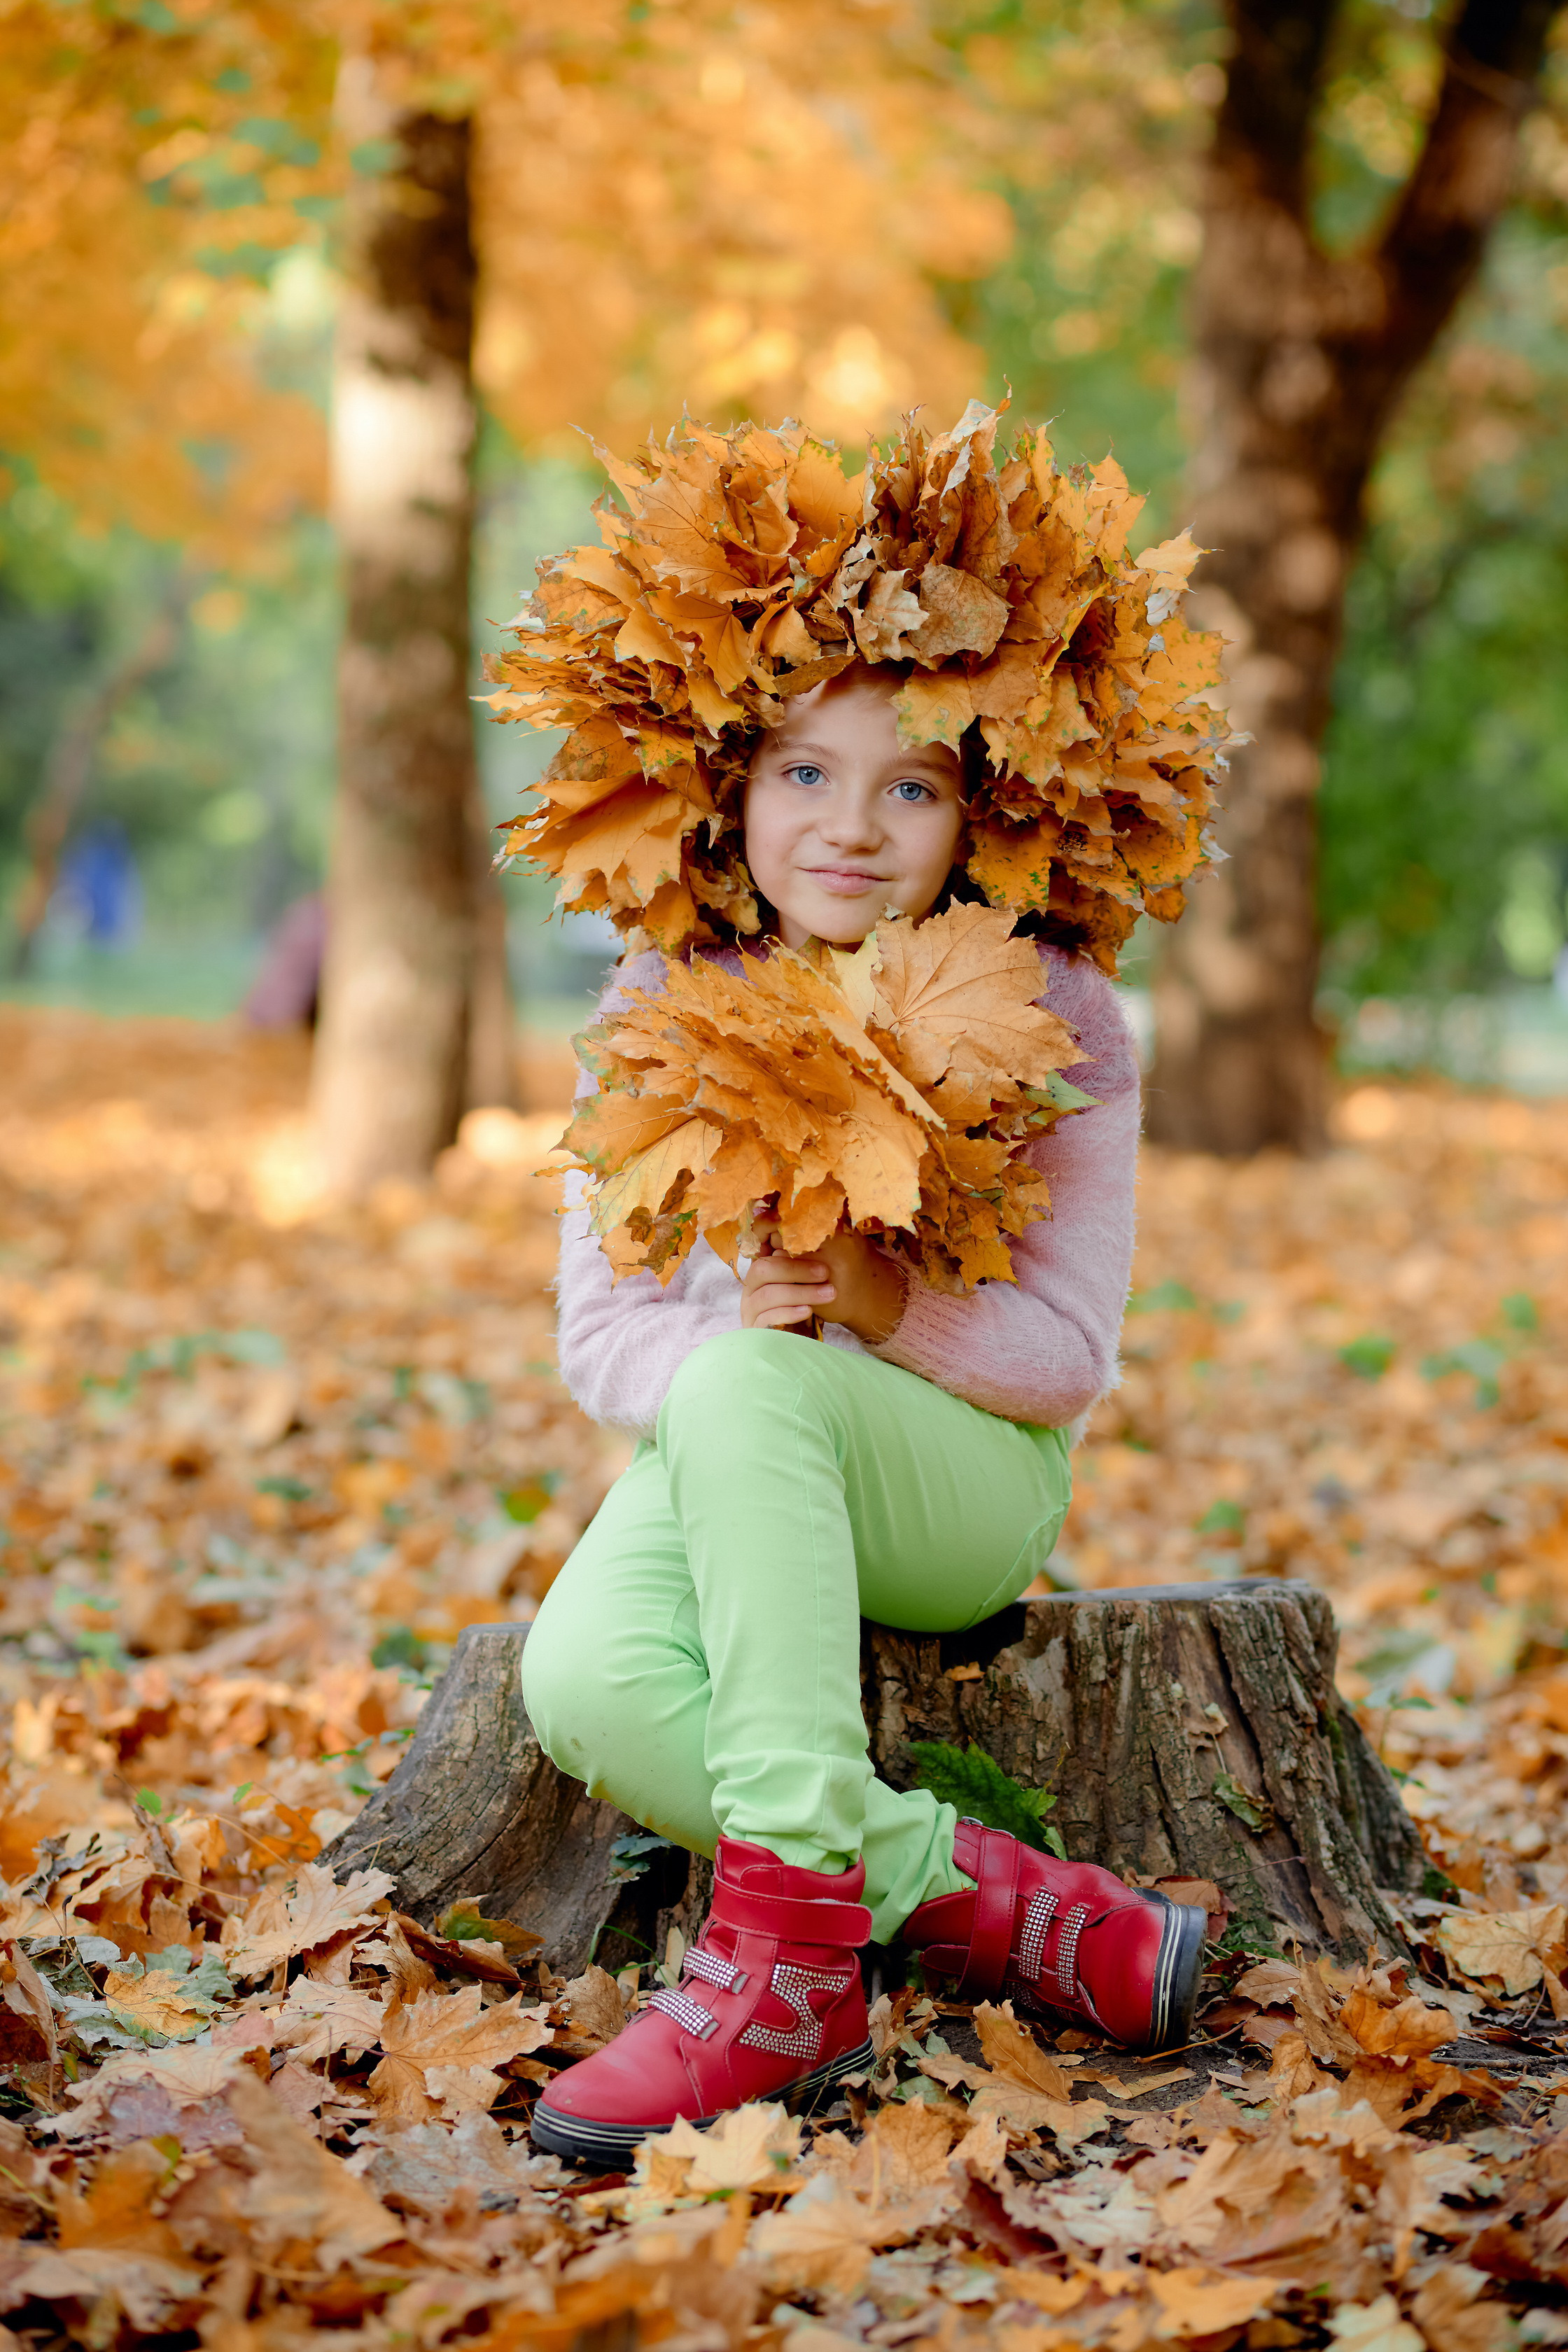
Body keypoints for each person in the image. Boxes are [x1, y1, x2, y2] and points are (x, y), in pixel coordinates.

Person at [499, 407, 1229, 2168]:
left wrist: (886, 1312)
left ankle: (780, 1974)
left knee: (756, 1392)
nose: (849, 826)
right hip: (741, 1441)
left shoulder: (1054, 1014)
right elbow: (603, 1329)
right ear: (731, 791)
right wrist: (726, 1336)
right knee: (583, 1681)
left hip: (958, 1485)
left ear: (975, 812)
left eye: (908, 784)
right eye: (804, 776)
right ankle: (994, 1904)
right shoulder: (653, 1004)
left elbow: (1066, 1360)